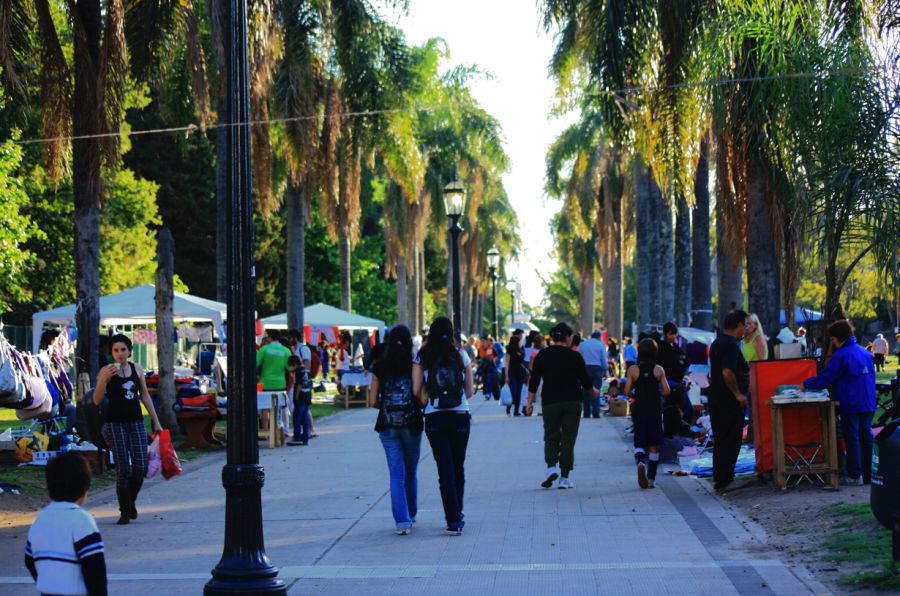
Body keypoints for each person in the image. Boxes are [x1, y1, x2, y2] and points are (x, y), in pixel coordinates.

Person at [92, 334, 162, 525]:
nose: (120, 354)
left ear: (129, 351)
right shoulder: (107, 371)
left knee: (140, 466)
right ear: (111, 353)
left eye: (123, 350)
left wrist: (156, 421)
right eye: (116, 350)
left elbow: (145, 396)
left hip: (136, 422)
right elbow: (97, 400)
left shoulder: (136, 368)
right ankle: (125, 510)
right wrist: (102, 380)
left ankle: (130, 502)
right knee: (123, 467)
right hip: (115, 423)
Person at [413, 316, 473, 535]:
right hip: (459, 415)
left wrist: (429, 399)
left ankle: (453, 519)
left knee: (444, 469)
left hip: (435, 417)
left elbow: (416, 391)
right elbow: (469, 392)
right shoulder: (461, 355)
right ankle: (459, 513)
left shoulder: (422, 357)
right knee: (458, 467)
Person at [801, 320, 876, 485]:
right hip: (868, 400)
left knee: (853, 437)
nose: (833, 343)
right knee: (866, 436)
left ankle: (855, 475)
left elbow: (827, 377)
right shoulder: (865, 353)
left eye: (833, 339)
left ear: (838, 338)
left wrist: (806, 384)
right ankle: (868, 474)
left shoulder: (841, 355)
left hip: (850, 401)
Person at [524, 322, 598, 489]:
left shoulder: (543, 355)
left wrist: (529, 404)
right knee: (568, 438)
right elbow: (585, 381)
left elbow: (534, 381)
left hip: (550, 401)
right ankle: (564, 478)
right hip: (573, 401)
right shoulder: (575, 356)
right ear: (566, 337)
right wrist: (593, 390)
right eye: (571, 336)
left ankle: (551, 467)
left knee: (551, 435)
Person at [26, 452, 107, 596]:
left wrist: (47, 581)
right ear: (84, 490)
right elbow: (95, 569)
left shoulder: (40, 519)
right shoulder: (82, 520)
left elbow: (29, 560)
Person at [368, 325, 422, 535]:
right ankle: (412, 513)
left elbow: (372, 401)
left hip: (387, 426)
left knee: (396, 474)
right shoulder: (414, 365)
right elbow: (419, 395)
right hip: (412, 424)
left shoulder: (379, 367)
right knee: (411, 471)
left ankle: (402, 521)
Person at [708, 310, 750, 493]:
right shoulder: (731, 346)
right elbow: (727, 372)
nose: (746, 329)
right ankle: (725, 479)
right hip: (728, 400)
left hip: (717, 397)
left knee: (721, 438)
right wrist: (738, 394)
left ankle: (720, 477)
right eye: (745, 325)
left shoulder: (718, 343)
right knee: (730, 439)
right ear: (738, 325)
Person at [623, 339, 671, 489]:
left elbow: (626, 391)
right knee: (654, 444)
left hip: (639, 409)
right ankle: (651, 478)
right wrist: (658, 393)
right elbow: (667, 390)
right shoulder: (658, 369)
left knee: (639, 440)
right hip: (655, 409)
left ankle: (640, 462)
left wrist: (634, 395)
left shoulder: (633, 369)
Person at [256, 329, 293, 433]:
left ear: (269, 337)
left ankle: (266, 431)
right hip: (280, 383)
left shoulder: (264, 349)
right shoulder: (286, 350)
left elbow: (256, 362)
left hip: (266, 383)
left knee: (265, 408)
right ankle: (277, 432)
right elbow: (289, 368)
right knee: (278, 408)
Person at [657, 322, 690, 422]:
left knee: (688, 410)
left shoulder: (677, 348)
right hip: (666, 383)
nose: (673, 336)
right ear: (665, 333)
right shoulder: (660, 347)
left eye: (675, 334)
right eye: (671, 333)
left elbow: (685, 362)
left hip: (678, 383)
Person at [578, 330, 608, 418]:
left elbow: (579, 357)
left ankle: (586, 413)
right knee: (596, 391)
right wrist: (605, 370)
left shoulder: (583, 344)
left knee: (586, 391)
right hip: (596, 369)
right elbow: (603, 360)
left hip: (585, 369)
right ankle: (596, 413)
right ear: (599, 337)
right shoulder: (600, 345)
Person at [287, 355, 312, 446]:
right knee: (305, 417)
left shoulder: (298, 371)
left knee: (297, 417)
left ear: (294, 364)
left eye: (291, 366)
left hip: (300, 396)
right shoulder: (306, 370)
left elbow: (299, 385)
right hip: (307, 395)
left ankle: (297, 436)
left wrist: (296, 397)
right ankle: (305, 436)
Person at [503, 335, 527, 416]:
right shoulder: (509, 351)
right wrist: (506, 377)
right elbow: (507, 364)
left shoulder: (521, 350)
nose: (520, 342)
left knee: (519, 393)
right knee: (514, 392)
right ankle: (509, 407)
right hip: (512, 373)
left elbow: (522, 362)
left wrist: (527, 371)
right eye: (519, 341)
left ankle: (516, 411)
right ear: (515, 342)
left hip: (520, 372)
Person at [477, 336, 500, 401]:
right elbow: (478, 358)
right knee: (485, 380)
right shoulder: (479, 349)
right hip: (484, 367)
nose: (482, 342)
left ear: (487, 341)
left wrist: (492, 361)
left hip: (491, 367)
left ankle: (489, 393)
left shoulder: (492, 348)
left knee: (490, 380)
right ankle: (487, 393)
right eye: (481, 341)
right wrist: (479, 363)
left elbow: (496, 356)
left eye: (483, 341)